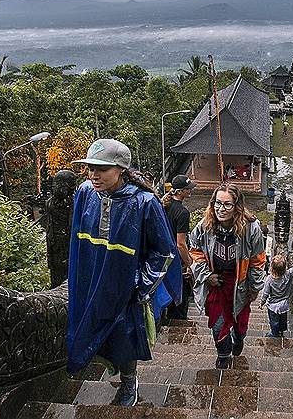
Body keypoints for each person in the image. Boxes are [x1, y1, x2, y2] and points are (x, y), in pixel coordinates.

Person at [66, 139, 182, 407]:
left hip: (125, 286)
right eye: (90, 168)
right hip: (93, 279)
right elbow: (77, 238)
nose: (93, 175)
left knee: (125, 335)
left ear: (120, 170)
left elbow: (164, 251)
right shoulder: (85, 192)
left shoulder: (144, 202)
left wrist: (141, 286)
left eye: (102, 169)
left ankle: (129, 382)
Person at [190, 183, 266, 369]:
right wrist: (207, 275)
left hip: (240, 283)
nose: (221, 209)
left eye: (227, 205)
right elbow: (195, 250)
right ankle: (223, 353)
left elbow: (257, 260)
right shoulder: (205, 226)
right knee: (217, 324)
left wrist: (255, 287)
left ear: (237, 206)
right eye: (217, 203)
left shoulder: (250, 228)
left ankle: (238, 339)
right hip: (217, 283)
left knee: (240, 324)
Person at [162, 174, 197, 320]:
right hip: (177, 259)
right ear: (180, 191)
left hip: (163, 254)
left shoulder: (164, 205)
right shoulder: (182, 213)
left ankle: (166, 318)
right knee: (180, 295)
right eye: (188, 189)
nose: (190, 191)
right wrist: (190, 264)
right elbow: (181, 243)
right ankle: (178, 320)